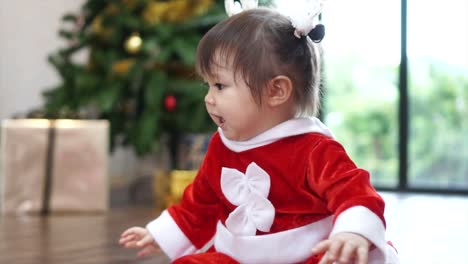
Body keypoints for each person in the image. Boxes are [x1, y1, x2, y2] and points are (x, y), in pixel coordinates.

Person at [119, 3, 399, 264]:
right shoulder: (222, 145)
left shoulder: (314, 149)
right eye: (207, 85)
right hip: (238, 254)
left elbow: (355, 192)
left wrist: (353, 231)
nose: (208, 98)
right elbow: (201, 202)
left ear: (276, 91)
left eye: (219, 85)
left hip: (306, 254)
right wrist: (161, 234)